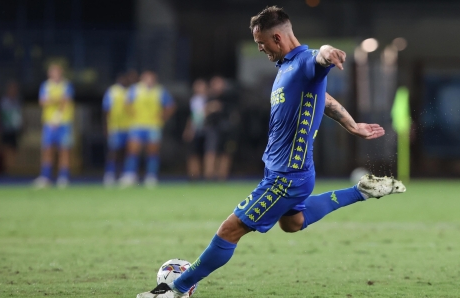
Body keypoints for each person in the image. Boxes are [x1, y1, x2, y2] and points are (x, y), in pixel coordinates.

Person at [137, 6, 406, 298]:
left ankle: (176, 289)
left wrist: (329, 53)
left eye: (261, 43)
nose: (260, 48)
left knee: (230, 230)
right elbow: (322, 98)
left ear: (277, 37)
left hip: (287, 177)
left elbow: (321, 54)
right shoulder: (285, 68)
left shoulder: (305, 60)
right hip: (286, 171)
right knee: (293, 223)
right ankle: (361, 191)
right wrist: (351, 123)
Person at [119, 70, 176, 187]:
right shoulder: (135, 89)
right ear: (142, 79)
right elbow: (126, 103)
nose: (149, 80)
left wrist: (163, 116)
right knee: (133, 151)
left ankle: (151, 176)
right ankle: (130, 175)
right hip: (137, 125)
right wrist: (132, 113)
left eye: (151, 78)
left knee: (153, 151)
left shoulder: (160, 91)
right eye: (147, 78)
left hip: (153, 126)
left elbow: (171, 106)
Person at [34, 64, 75, 188]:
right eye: (52, 72)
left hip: (64, 122)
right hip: (49, 123)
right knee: (48, 149)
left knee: (64, 150)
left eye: (56, 72)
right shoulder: (45, 85)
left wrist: (57, 113)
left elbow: (66, 100)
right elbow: (42, 101)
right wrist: (56, 100)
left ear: (61, 73)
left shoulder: (67, 85)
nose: (54, 74)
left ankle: (63, 177)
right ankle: (46, 176)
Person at [102, 73, 131, 186]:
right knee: (114, 151)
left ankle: (124, 174)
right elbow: (105, 110)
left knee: (127, 152)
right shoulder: (112, 91)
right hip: (115, 126)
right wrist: (105, 127)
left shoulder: (131, 91)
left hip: (129, 127)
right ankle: (110, 174)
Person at [182, 78, 208, 180]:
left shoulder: (209, 98)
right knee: (192, 153)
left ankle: (207, 175)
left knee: (206, 153)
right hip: (196, 129)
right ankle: (194, 175)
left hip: (207, 129)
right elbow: (193, 116)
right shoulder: (194, 99)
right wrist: (189, 129)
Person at [0, 80, 23, 173]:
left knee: (14, 149)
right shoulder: (3, 101)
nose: (13, 91)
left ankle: (13, 169)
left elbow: (20, 115)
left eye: (15, 89)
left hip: (15, 130)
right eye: (11, 89)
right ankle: (7, 169)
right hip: (6, 129)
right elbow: (1, 116)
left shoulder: (17, 101)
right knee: (6, 149)